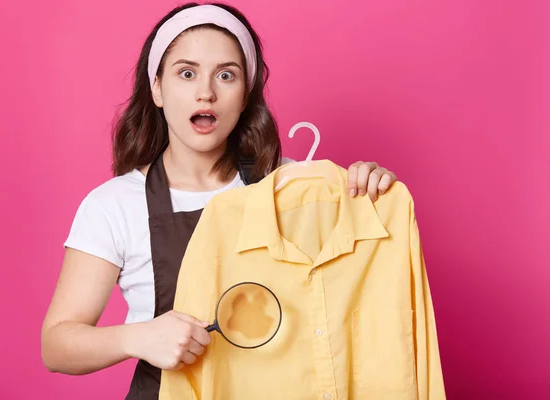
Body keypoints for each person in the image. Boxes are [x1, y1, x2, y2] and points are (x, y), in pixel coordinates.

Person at [41, 2, 400, 398]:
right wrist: (138, 338)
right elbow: (57, 345)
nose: (206, 92)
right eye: (187, 73)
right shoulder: (115, 205)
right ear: (157, 88)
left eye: (226, 75)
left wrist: (369, 188)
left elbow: (344, 291)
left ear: (245, 95)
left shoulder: (288, 184)